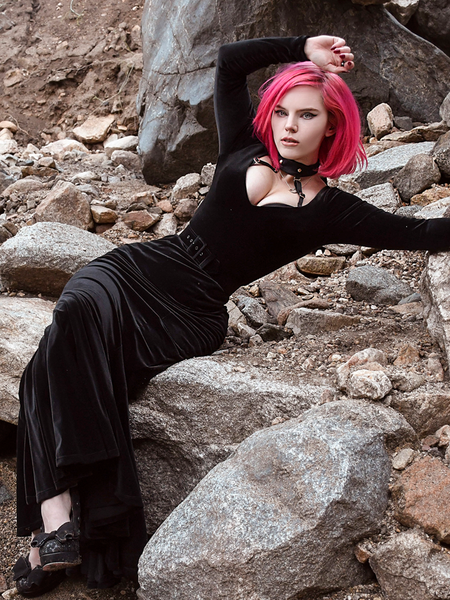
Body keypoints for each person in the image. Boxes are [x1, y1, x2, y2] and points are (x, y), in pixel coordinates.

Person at [13, 33, 450, 597]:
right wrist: (302, 51)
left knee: (48, 369)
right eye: (284, 111)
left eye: (308, 114)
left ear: (333, 127)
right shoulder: (244, 143)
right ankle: (61, 525)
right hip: (139, 269)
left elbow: (421, 233)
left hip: (191, 313)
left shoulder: (330, 209)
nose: (290, 124)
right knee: (74, 311)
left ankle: (62, 532)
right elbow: (226, 63)